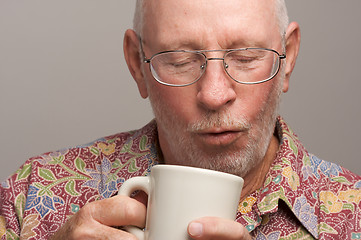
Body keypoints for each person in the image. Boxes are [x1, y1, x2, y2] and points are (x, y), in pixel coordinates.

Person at [1, 0, 361, 239]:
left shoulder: (353, 216)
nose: (215, 94)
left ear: (288, 57)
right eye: (179, 61)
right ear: (136, 65)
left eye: (247, 57)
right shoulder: (31, 196)